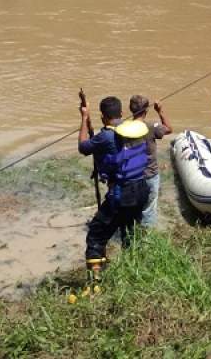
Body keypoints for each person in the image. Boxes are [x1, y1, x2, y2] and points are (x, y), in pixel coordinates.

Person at [78, 96, 150, 289]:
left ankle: (95, 284)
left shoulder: (106, 136)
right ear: (121, 113)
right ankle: (134, 272)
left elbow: (83, 147)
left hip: (122, 193)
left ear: (103, 117)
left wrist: (84, 119)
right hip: (142, 189)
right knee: (129, 232)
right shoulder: (135, 128)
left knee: (96, 235)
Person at [128, 95, 173, 228]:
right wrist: (160, 111)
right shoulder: (152, 127)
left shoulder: (124, 128)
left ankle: (132, 234)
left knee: (134, 208)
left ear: (130, 109)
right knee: (148, 210)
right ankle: (146, 239)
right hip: (150, 174)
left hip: (132, 176)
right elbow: (169, 129)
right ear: (146, 111)